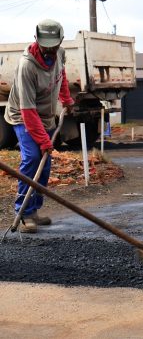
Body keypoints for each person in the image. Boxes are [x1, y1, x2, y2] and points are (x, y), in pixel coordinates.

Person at [3, 20, 75, 233]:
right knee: (33, 159)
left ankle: (33, 209)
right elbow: (27, 111)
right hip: (22, 116)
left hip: (46, 116)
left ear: (60, 41)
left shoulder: (60, 54)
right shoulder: (27, 66)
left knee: (44, 166)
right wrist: (43, 141)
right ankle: (22, 213)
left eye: (53, 45)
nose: (49, 50)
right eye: (45, 45)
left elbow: (61, 76)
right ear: (37, 40)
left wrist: (66, 98)